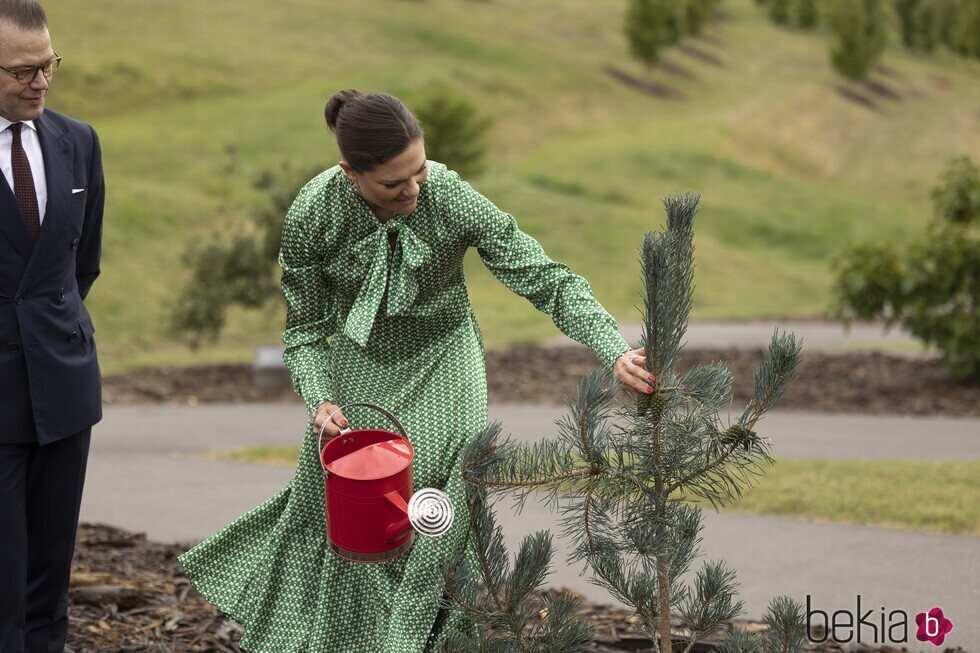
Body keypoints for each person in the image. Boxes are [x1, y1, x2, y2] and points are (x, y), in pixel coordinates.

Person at [179, 89, 650, 653]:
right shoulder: (313, 214)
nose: (413, 190)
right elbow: (304, 332)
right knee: (341, 502)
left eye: (419, 172)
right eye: (394, 183)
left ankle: (424, 640)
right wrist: (319, 398)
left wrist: (610, 346)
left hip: (444, 355)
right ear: (350, 172)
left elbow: (544, 275)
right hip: (359, 363)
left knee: (426, 496)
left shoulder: (446, 195)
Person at [0, 1, 105, 651]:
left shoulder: (79, 141)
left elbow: (81, 264)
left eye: (50, 65)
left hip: (65, 388)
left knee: (49, 578)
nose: (42, 81)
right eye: (22, 71)